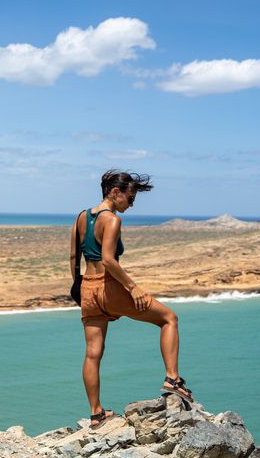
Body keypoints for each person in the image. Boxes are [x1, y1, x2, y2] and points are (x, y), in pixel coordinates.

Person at [70, 169, 193, 430]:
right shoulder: (112, 220)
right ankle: (173, 379)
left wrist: (77, 285)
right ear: (115, 193)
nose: (132, 203)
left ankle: (96, 414)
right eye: (130, 198)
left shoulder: (81, 217)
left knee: (92, 354)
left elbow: (74, 257)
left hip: (88, 290)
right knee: (169, 318)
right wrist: (133, 288)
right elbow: (108, 260)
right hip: (109, 287)